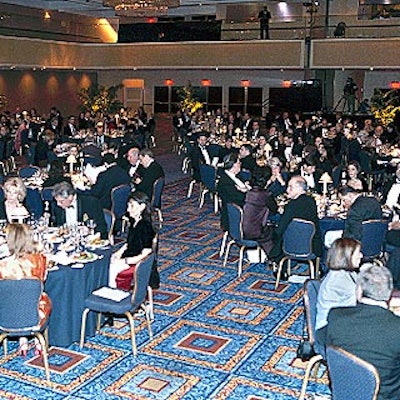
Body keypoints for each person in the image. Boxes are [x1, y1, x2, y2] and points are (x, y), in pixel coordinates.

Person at [326, 264, 400, 400]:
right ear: (390, 294)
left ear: (359, 291)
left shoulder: (335, 316)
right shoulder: (397, 328)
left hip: (343, 389)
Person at [0, 223, 52, 356]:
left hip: (5, 317)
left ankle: (22, 341)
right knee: (39, 296)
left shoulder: (2, 265)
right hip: (34, 316)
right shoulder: (40, 260)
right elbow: (43, 279)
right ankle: (37, 340)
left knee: (12, 297)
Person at [268, 176, 322, 272]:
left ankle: (280, 267)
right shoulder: (311, 201)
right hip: (312, 245)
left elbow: (280, 230)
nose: (287, 190)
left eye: (290, 187)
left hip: (291, 246)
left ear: (299, 188)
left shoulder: (292, 206)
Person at [315, 238, 362, 345]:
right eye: (358, 253)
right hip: (328, 331)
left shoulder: (348, 273)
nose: (361, 256)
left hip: (339, 322)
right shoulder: (339, 279)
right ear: (347, 256)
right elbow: (361, 301)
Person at [109, 191, 158, 290]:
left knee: (112, 269)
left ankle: (115, 295)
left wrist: (125, 261)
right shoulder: (134, 221)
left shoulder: (146, 227)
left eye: (131, 206)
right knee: (107, 261)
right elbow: (129, 243)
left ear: (142, 207)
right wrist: (118, 253)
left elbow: (146, 254)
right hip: (130, 256)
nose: (128, 209)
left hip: (139, 264)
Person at [243, 167, 278, 254]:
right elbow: (275, 209)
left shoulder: (249, 192)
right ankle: (274, 256)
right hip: (256, 231)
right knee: (278, 228)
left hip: (242, 227)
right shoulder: (265, 195)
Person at [217, 153, 250, 232]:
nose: (240, 164)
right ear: (233, 165)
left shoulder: (236, 175)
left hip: (243, 206)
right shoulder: (225, 182)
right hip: (236, 217)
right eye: (239, 163)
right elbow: (238, 199)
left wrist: (247, 187)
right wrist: (247, 192)